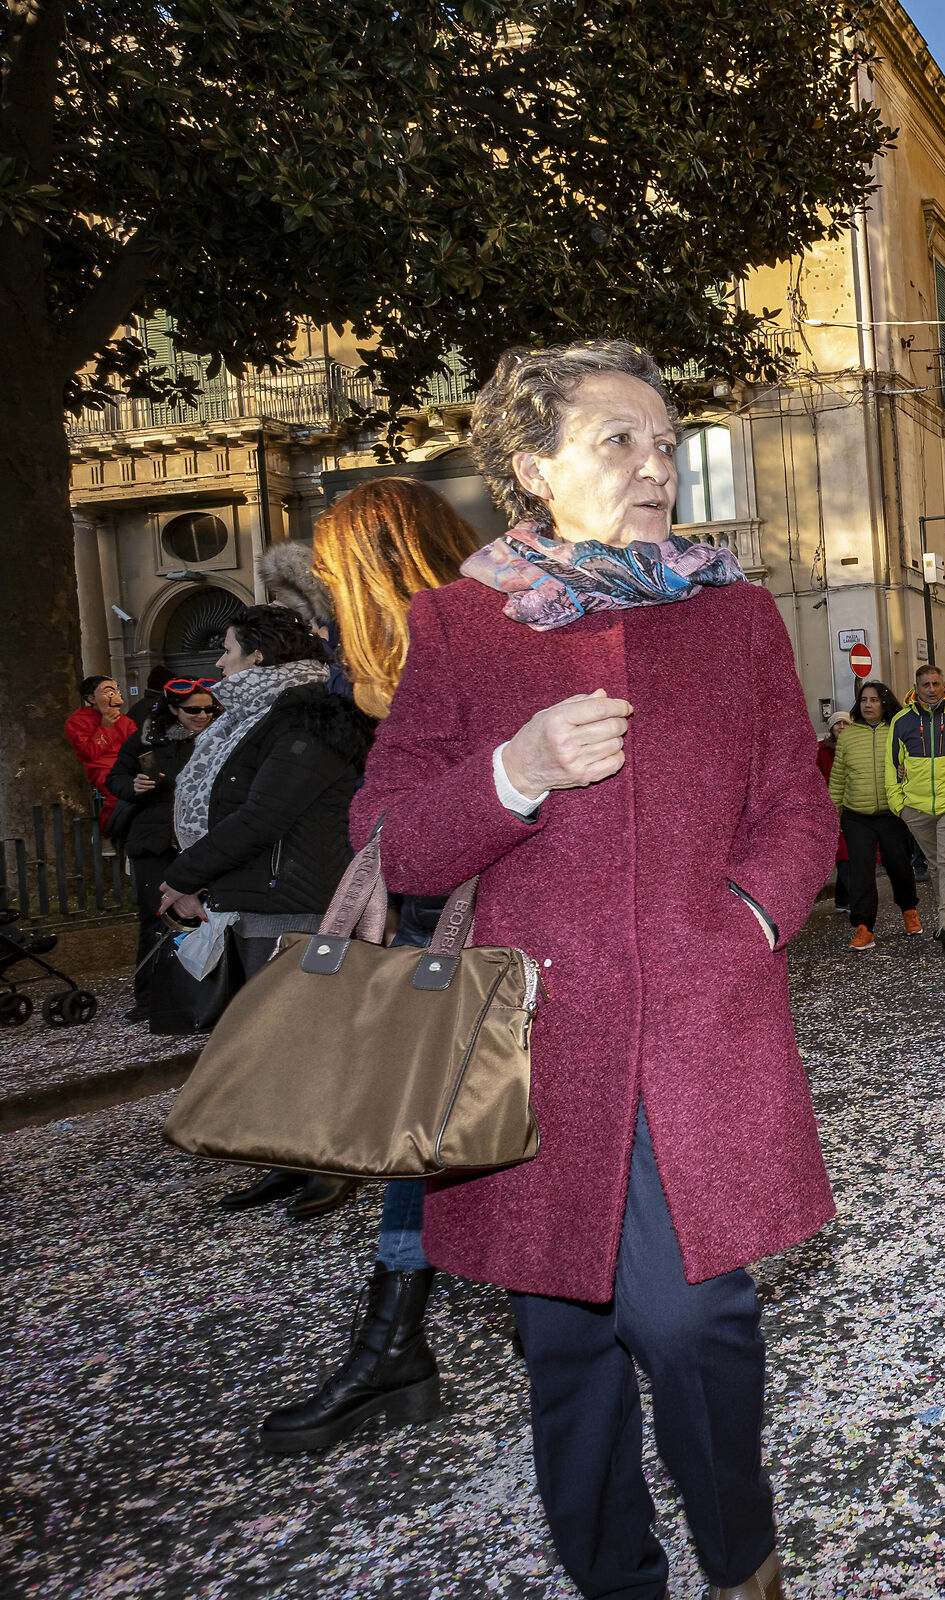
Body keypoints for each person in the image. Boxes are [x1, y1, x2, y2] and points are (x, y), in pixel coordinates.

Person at [354, 339, 838, 1600]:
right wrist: (514, 770)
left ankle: (743, 1559)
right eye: (617, 440)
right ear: (533, 468)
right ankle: (615, 1578)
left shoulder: (734, 613)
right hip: (533, 1037)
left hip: (695, 1016)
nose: (655, 465)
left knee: (694, 1322)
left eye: (666, 442)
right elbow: (387, 838)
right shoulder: (461, 624)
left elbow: (799, 802)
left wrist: (746, 918)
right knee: (563, 1339)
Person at [255, 476, 483, 1457]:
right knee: (430, 1130)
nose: (332, 600)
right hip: (447, 918)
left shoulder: (468, 640)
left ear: (383, 564)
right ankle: (404, 1338)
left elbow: (428, 810)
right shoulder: (419, 654)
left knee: (447, 1126)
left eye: (342, 577)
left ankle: (406, 1342)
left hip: (493, 920)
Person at [159, 603, 374, 1217]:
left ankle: (329, 1167)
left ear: (258, 656)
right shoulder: (256, 719)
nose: (219, 662)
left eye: (227, 649)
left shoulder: (307, 719)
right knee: (269, 1044)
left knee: (306, 1042)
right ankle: (286, 1161)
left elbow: (263, 816)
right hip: (258, 900)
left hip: (296, 905)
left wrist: (183, 875)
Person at [104, 679, 216, 1021]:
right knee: (155, 918)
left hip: (200, 841)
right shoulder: (146, 738)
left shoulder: (221, 736)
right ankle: (150, 998)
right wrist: (134, 785)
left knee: (204, 918)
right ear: (172, 709)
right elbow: (115, 778)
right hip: (154, 840)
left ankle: (202, 993)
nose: (202, 716)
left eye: (208, 709)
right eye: (193, 710)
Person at [889, 663, 945, 951]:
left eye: (936, 684)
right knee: (936, 864)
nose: (931, 689)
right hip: (916, 808)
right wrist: (899, 806)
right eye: (925, 685)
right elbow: (891, 767)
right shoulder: (901, 721)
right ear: (916, 688)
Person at [829, 680, 918, 951]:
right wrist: (833, 815)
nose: (868, 704)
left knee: (899, 865)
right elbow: (838, 778)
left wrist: (906, 773)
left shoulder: (897, 730)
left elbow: (913, 765)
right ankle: (864, 927)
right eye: (864, 700)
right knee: (860, 872)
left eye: (874, 700)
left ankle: (909, 910)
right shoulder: (848, 736)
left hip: (892, 813)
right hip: (857, 816)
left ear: (884, 703)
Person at [65, 674, 137, 832]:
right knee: (118, 794)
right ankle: (108, 833)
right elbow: (88, 753)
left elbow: (136, 747)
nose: (117, 696)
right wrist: (105, 727)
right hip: (103, 769)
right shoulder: (77, 721)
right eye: (110, 693)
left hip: (128, 767)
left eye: (117, 691)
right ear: (91, 699)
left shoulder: (125, 721)